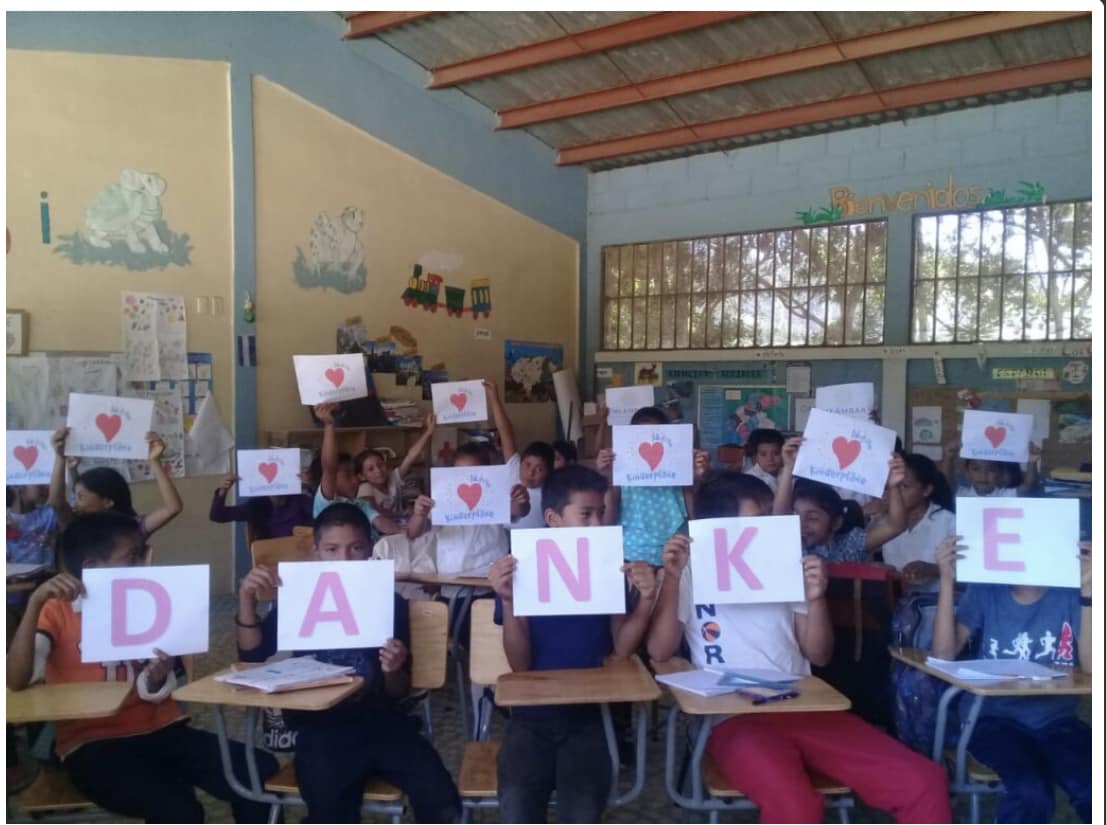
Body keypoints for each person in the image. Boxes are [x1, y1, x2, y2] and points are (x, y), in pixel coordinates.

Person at [648, 472, 952, 823]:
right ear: (720, 527)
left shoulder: (784, 564)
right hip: (732, 717)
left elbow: (819, 654)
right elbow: (660, 651)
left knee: (924, 781)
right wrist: (672, 579)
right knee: (796, 806)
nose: (774, 526)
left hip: (806, 705)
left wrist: (816, 598)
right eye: (761, 518)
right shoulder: (688, 570)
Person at [6, 511, 275, 823]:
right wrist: (35, 602)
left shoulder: (149, 602)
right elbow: (15, 680)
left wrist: (158, 675)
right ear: (92, 567)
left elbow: (156, 683)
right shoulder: (58, 611)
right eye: (132, 557)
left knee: (259, 770)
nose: (143, 565)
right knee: (178, 809)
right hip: (92, 744)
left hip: (162, 729)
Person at [237, 502, 460, 823]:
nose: (344, 559)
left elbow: (398, 690)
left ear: (370, 550)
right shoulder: (300, 598)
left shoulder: (389, 603)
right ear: (316, 552)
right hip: (320, 728)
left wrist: (393, 668)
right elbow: (251, 655)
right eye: (332, 549)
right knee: (331, 811)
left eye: (356, 548)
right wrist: (246, 600)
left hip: (383, 722)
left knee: (441, 799)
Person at [488, 465, 658, 823]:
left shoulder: (610, 569)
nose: (597, 523)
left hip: (589, 716)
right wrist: (507, 600)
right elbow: (520, 666)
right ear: (553, 518)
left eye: (601, 512)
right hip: (530, 717)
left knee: (582, 811)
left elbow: (622, 648)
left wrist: (646, 600)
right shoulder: (521, 569)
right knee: (517, 806)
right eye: (586, 514)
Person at [932, 535, 1091, 823]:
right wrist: (946, 580)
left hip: (1057, 721)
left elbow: (1092, 668)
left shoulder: (1069, 593)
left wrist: (1089, 593)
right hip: (992, 720)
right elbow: (943, 654)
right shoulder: (986, 589)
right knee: (1030, 791)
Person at [406, 381, 529, 579]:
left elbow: (518, 510)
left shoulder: (494, 494)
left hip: (489, 580)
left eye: (473, 472)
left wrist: (522, 500)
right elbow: (413, 533)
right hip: (450, 581)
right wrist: (419, 514)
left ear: (486, 472)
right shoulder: (442, 497)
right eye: (459, 473)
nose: (466, 479)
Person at [597, 406, 710, 566]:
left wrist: (695, 478)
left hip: (675, 554)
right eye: (641, 436)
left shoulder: (678, 470)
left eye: (656, 435)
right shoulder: (622, 472)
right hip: (630, 555)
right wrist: (608, 478)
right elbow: (608, 520)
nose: (649, 440)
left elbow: (693, 516)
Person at [773, 436, 907, 561]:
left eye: (812, 518)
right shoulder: (793, 544)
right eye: (796, 515)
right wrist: (788, 467)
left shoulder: (851, 544)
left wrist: (894, 486)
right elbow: (779, 521)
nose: (801, 524)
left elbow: (895, 527)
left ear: (836, 523)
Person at [48, 428, 182, 540]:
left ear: (107, 502)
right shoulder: (76, 525)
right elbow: (56, 502)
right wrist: (60, 457)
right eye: (76, 497)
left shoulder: (133, 528)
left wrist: (154, 461)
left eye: (80, 497)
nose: (74, 504)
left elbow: (173, 508)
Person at [312, 402, 403, 536]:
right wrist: (329, 425)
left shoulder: (359, 504)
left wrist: (405, 530)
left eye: (354, 474)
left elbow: (382, 523)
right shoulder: (327, 503)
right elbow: (329, 468)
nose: (356, 480)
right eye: (347, 475)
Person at [875, 453, 956, 588]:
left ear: (926, 490)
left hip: (938, 598)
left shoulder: (948, 522)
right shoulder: (881, 520)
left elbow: (967, 569)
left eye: (905, 486)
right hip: (894, 597)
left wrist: (933, 569)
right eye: (892, 486)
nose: (895, 492)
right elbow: (861, 554)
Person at [356, 413, 436, 518]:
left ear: (386, 464)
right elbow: (374, 511)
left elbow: (411, 456)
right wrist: (403, 513)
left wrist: (428, 432)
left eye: (380, 465)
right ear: (362, 476)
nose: (378, 470)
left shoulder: (393, 478)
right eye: (371, 469)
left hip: (402, 522)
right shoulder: (365, 488)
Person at [208, 473, 313, 540]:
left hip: (301, 555)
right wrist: (223, 490)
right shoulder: (256, 505)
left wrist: (312, 487)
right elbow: (217, 515)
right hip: (269, 558)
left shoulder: (299, 500)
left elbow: (320, 514)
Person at [942, 441, 1040, 498]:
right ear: (967, 473)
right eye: (976, 469)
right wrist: (948, 458)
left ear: (999, 474)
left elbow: (1029, 486)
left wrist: (1032, 461)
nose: (983, 475)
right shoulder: (962, 494)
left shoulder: (1004, 495)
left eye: (991, 470)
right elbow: (945, 483)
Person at [511, 441, 555, 529]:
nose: (530, 473)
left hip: (534, 536)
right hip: (503, 534)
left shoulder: (550, 495)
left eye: (539, 469)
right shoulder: (512, 471)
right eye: (527, 465)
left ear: (548, 473)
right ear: (520, 463)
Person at [743, 427, 785, 493]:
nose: (770, 459)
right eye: (763, 454)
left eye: (776, 453)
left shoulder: (788, 474)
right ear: (755, 456)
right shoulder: (750, 479)